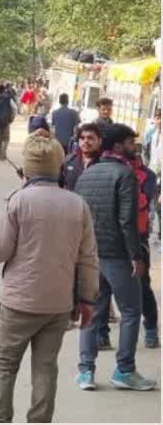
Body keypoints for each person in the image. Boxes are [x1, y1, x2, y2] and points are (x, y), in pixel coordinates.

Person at [0, 132, 100, 423]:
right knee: (46, 369)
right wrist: (87, 300)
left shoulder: (17, 201)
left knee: (4, 366)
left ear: (28, 168)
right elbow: (88, 259)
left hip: (19, 304)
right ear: (59, 166)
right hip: (58, 305)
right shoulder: (76, 204)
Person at [74, 124, 156, 391]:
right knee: (131, 310)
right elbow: (127, 221)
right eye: (131, 142)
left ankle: (85, 371)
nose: (135, 147)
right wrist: (135, 256)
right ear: (119, 146)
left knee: (93, 312)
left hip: (92, 256)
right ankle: (124, 370)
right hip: (118, 255)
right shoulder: (126, 175)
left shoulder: (88, 173)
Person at [128, 148, 159, 349]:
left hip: (138, 236)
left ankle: (150, 330)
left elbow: (143, 203)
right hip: (113, 237)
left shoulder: (147, 175)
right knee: (104, 289)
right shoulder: (115, 170)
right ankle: (101, 334)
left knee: (143, 286)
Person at [61, 123, 103, 192]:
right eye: (82, 138)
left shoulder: (104, 163)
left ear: (100, 141)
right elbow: (62, 184)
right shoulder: (69, 160)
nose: (85, 141)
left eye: (90, 138)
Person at [0, 84, 16, 161]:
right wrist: (12, 118)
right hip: (6, 121)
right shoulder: (8, 99)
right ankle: (3, 152)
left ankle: (0, 156)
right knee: (6, 138)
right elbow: (15, 108)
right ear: (4, 89)